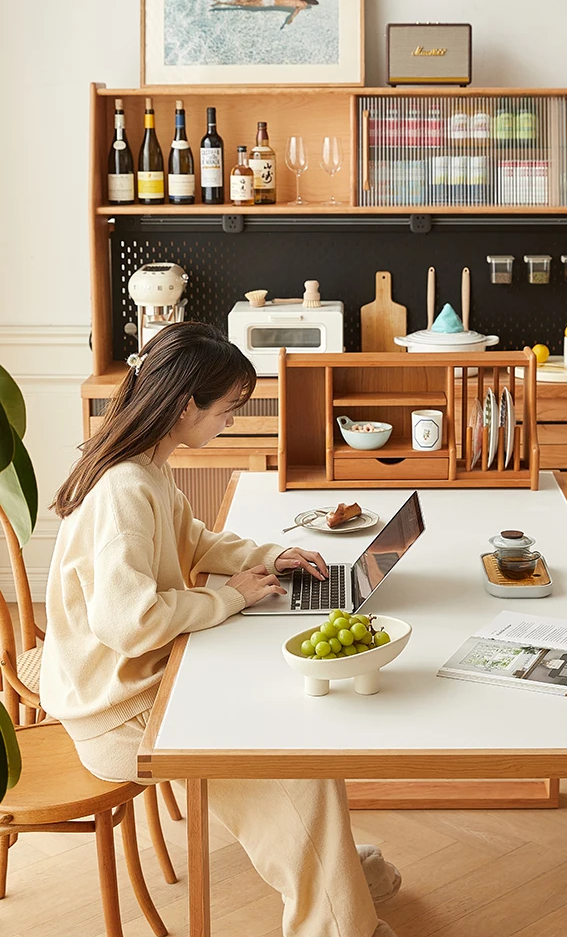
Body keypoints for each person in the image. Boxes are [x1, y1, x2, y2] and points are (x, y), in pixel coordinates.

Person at [40, 321, 400, 937]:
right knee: (280, 751)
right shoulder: (125, 488)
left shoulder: (148, 466)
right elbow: (129, 624)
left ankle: (339, 890)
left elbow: (195, 542)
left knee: (295, 732)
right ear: (187, 407)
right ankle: (337, 920)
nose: (230, 422)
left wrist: (264, 556)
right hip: (116, 713)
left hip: (139, 685)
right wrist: (230, 599)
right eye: (227, 410)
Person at [211, 0, 319, 29]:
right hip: (268, 3)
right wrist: (290, 20)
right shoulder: (302, 5)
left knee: (244, 0)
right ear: (310, 4)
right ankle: (222, 3)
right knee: (243, 3)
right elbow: (295, 13)